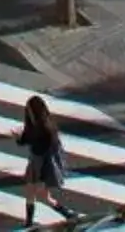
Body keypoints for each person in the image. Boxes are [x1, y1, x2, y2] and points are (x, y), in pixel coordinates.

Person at [17, 94, 78, 227]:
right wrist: (19, 138)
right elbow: (26, 139)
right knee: (36, 195)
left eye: (30, 111)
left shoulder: (46, 130)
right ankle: (67, 215)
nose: (28, 114)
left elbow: (43, 150)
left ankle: (30, 223)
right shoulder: (35, 126)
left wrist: (42, 178)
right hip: (35, 163)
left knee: (39, 195)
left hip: (41, 165)